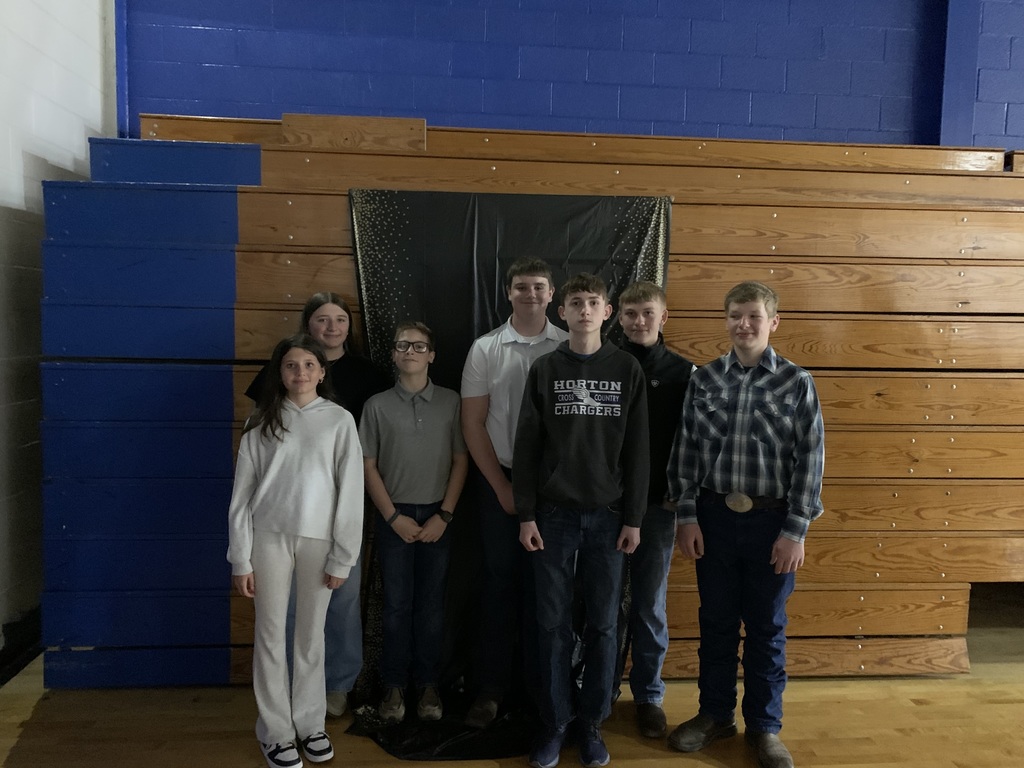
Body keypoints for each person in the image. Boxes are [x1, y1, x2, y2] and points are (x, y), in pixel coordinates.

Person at [665, 281, 825, 768]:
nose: (744, 324)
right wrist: (687, 516)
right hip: (712, 519)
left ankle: (764, 727)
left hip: (771, 523)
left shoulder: (797, 382)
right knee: (714, 624)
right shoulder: (706, 379)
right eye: (736, 315)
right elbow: (686, 450)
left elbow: (810, 459)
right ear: (726, 319)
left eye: (754, 315)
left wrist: (796, 529)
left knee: (766, 628)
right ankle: (714, 715)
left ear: (773, 322)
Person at [514, 272, 649, 768]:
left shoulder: (626, 370)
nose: (586, 310)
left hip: (610, 517)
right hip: (552, 517)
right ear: (562, 312)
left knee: (604, 625)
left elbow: (639, 451)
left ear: (607, 312)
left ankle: (591, 722)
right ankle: (554, 723)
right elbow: (526, 449)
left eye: (594, 302)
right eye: (576, 302)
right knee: (551, 624)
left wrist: (633, 518)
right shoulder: (545, 369)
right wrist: (526, 514)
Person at [246, 292, 390, 718]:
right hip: (283, 514)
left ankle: (338, 683)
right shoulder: (282, 368)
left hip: (341, 506)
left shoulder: (369, 376)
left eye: (340, 319)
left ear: (350, 326)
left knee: (340, 596)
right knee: (287, 605)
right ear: (308, 325)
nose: (331, 327)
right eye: (322, 319)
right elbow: (257, 429)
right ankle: (292, 682)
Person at [228, 334, 365, 768]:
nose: (300, 372)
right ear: (279, 373)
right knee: (270, 634)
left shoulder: (340, 421)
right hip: (268, 539)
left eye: (309, 365)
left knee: (310, 635)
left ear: (322, 373)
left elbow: (351, 493)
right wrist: (241, 556)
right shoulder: (262, 422)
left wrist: (344, 555)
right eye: (291, 365)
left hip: (319, 541)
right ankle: (275, 730)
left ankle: (310, 723)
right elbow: (242, 498)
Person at [460, 257, 568, 727]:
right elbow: (472, 423)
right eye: (521, 287)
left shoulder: (570, 344)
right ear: (508, 293)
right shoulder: (485, 349)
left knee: (550, 592)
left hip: (557, 489)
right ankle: (491, 689)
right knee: (499, 586)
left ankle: (544, 689)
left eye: (539, 287)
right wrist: (503, 487)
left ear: (551, 294)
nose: (530, 294)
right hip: (499, 481)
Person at [360, 321, 469, 724]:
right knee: (395, 606)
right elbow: (367, 465)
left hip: (438, 516)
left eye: (419, 346)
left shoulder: (452, 402)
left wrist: (445, 514)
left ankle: (428, 685)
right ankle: (393, 685)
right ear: (392, 353)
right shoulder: (376, 405)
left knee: (431, 608)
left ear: (432, 355)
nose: (410, 352)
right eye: (402, 345)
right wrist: (392, 517)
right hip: (395, 517)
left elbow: (462, 460)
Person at [616, 280, 695, 739]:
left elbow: (693, 443)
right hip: (606, 505)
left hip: (657, 508)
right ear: (617, 317)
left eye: (647, 312)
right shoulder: (606, 365)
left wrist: (681, 497)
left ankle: (648, 694)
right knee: (601, 603)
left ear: (663, 317)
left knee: (648, 604)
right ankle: (599, 685)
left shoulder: (685, 373)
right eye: (630, 313)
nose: (638, 321)